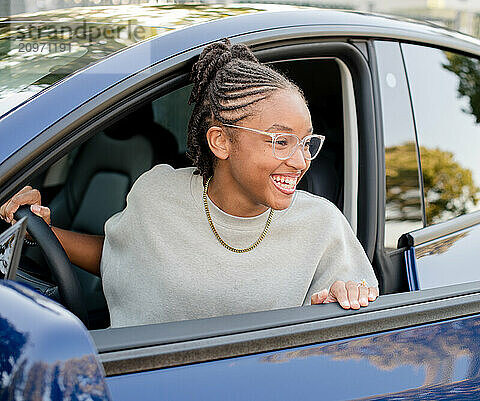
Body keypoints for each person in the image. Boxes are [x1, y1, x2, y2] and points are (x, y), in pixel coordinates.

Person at [0, 38, 379, 328]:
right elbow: (124, 257)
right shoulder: (157, 194)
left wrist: (344, 302)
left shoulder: (322, 224)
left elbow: (354, 324)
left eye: (307, 142)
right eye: (281, 141)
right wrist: (40, 232)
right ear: (221, 141)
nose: (300, 162)